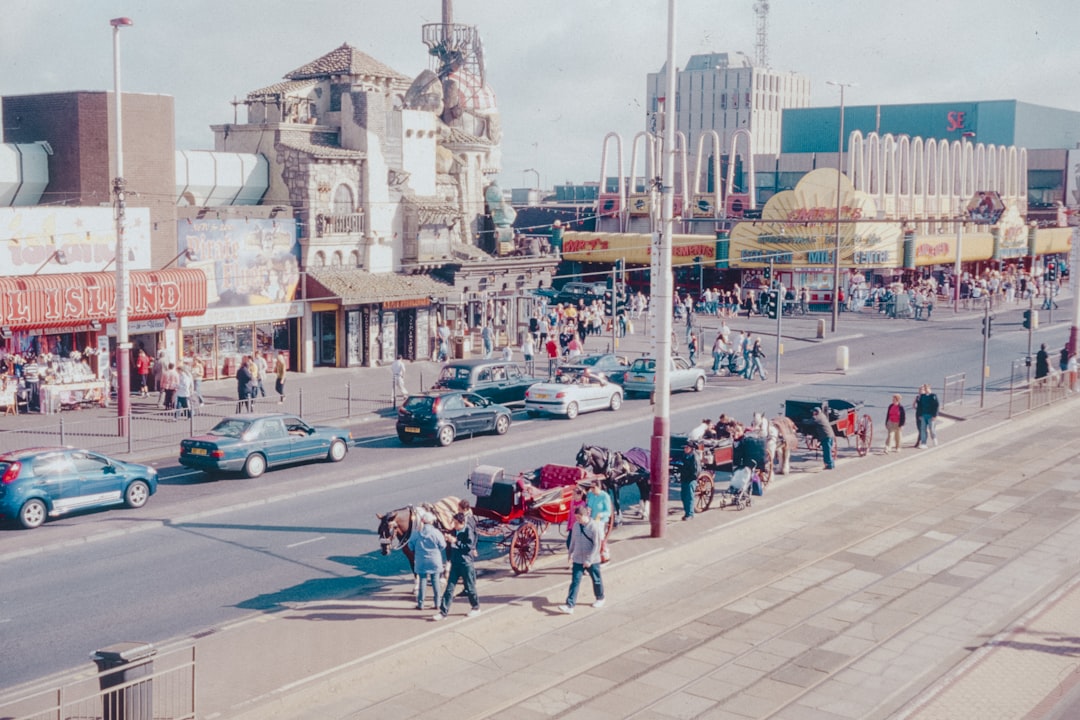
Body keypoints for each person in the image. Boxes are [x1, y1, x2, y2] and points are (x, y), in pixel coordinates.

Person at [433, 509, 480, 620]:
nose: (453, 525)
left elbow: (467, 548)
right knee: (449, 589)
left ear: (461, 523)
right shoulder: (454, 531)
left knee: (470, 587)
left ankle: (476, 607)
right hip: (455, 563)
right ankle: (443, 612)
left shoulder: (468, 531)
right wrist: (448, 539)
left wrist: (455, 541)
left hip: (466, 564)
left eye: (455, 523)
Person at [557, 504, 605, 614]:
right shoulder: (576, 526)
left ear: (585, 515)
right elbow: (573, 541)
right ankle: (570, 605)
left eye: (579, 517)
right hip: (578, 558)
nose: (577, 520)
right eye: (576, 518)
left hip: (592, 560)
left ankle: (600, 597)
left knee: (596, 579)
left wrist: (589, 560)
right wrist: (570, 554)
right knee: (575, 581)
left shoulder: (594, 527)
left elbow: (597, 545)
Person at [407, 511, 446, 611]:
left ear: (423, 521)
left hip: (421, 560)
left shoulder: (416, 533)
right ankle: (437, 603)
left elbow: (410, 546)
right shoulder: (436, 532)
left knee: (422, 581)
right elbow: (443, 545)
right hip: (434, 560)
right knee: (435, 581)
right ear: (432, 522)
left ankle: (421, 604)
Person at [679, 442, 702, 520]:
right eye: (684, 448)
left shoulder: (694, 457)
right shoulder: (685, 455)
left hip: (691, 480)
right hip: (684, 478)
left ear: (691, 448)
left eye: (686, 448)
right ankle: (686, 513)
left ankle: (690, 514)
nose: (685, 449)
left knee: (689, 496)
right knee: (683, 496)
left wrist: (692, 478)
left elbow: (697, 470)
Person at [914, 384, 939, 448]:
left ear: (930, 389)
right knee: (923, 429)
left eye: (927, 388)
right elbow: (919, 406)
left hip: (931, 415)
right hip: (923, 415)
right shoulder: (922, 396)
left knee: (931, 428)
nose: (926, 390)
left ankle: (934, 438)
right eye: (925, 389)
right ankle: (923, 443)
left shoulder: (933, 396)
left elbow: (936, 405)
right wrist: (919, 415)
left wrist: (935, 415)